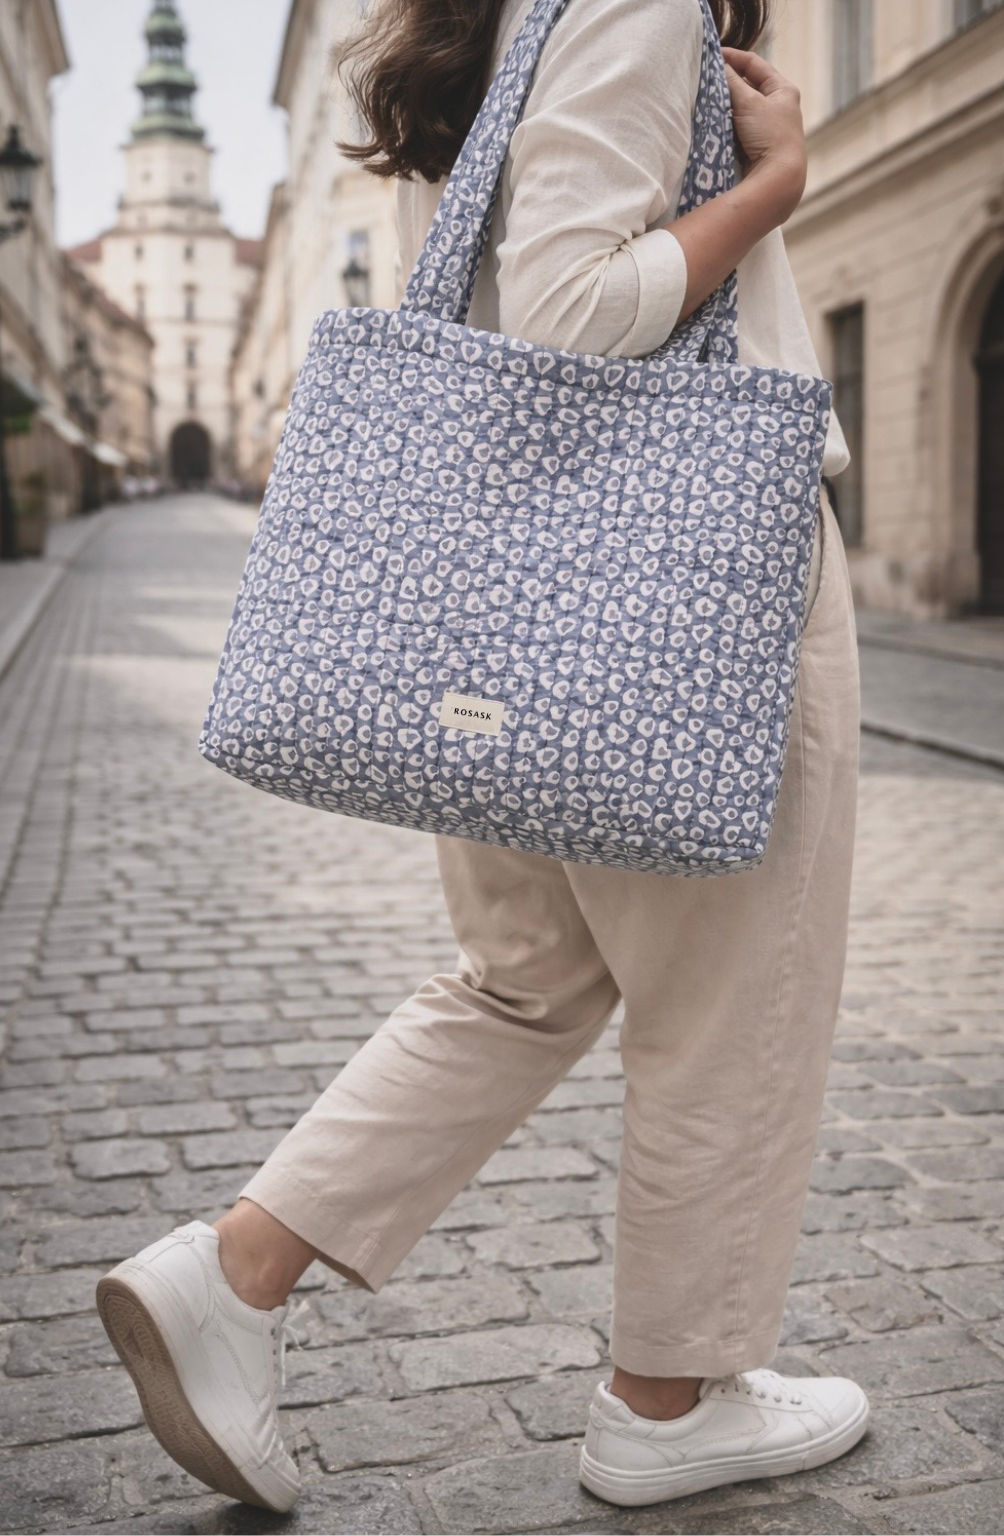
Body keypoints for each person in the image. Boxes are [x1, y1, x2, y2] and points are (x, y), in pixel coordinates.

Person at [96, 0, 867, 1513]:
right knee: (730, 1007)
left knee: (526, 980)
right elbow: (573, 310)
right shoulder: (641, 7)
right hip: (684, 583)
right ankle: (669, 1398)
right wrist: (773, 188)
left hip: (505, 601)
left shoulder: (534, 19)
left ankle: (236, 1274)